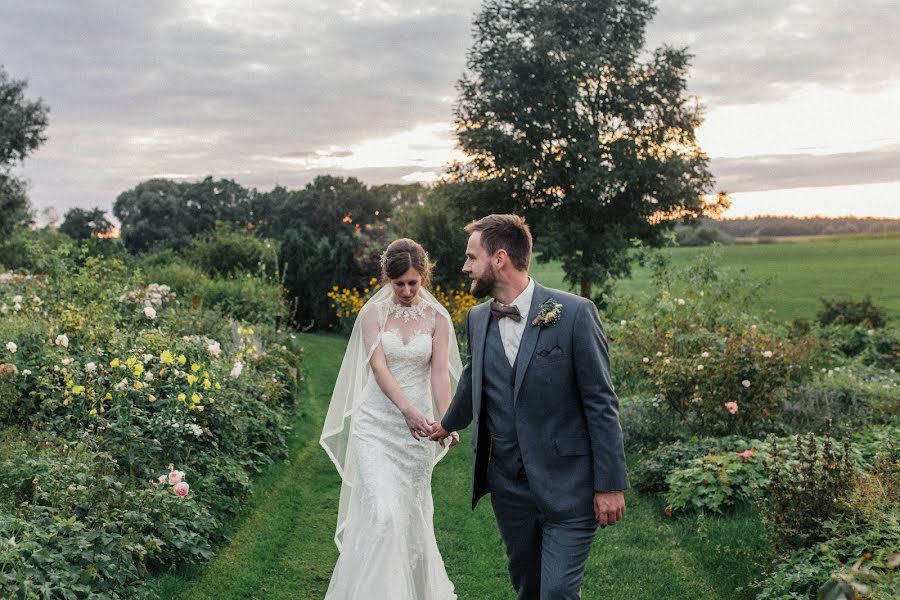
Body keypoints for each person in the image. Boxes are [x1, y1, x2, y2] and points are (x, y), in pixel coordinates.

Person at [429, 214, 629, 600]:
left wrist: (610, 484)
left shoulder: (574, 314)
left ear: (499, 259)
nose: (465, 266)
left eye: (472, 257)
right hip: (509, 487)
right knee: (529, 588)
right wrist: (446, 423)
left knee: (556, 592)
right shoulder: (477, 318)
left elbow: (601, 403)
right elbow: (474, 378)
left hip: (569, 483)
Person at [321, 238, 461, 600]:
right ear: (387, 279)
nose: (407, 290)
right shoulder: (373, 315)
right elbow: (379, 368)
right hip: (376, 425)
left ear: (424, 277)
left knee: (410, 518)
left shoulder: (438, 318)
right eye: (399, 283)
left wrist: (446, 420)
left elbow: (439, 374)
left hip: (416, 437)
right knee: (382, 514)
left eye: (413, 282)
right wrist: (407, 410)